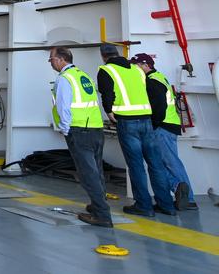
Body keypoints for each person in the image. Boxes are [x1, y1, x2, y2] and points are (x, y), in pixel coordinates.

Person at [98, 44, 174, 216]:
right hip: (146, 120)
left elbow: (107, 94)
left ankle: (144, 206)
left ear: (103, 56)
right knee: (156, 164)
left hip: (127, 122)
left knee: (136, 165)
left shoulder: (106, 70)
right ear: (118, 53)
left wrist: (109, 112)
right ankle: (167, 205)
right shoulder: (137, 70)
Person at [49, 46, 111, 227]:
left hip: (79, 130)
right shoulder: (83, 76)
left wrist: (65, 129)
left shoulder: (65, 78)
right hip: (95, 128)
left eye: (52, 59)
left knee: (87, 174)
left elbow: (64, 106)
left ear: (61, 59)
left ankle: (102, 214)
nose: (51, 63)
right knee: (96, 171)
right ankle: (98, 204)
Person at [132, 53, 197, 210]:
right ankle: (180, 192)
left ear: (146, 65)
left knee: (168, 164)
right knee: (164, 164)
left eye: (136, 65)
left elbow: (159, 108)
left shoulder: (152, 81)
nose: (134, 68)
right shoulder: (159, 78)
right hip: (168, 125)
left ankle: (186, 197)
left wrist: (153, 125)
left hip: (163, 127)